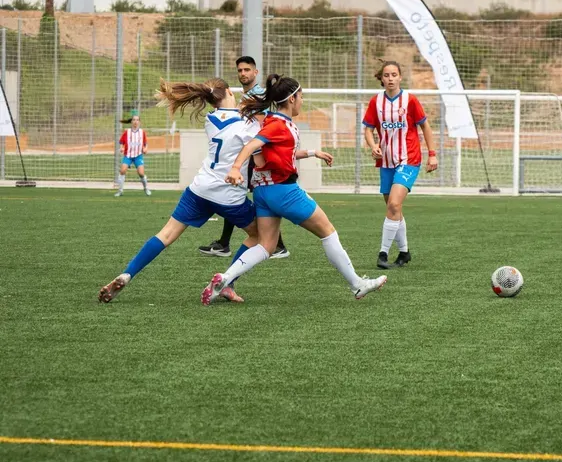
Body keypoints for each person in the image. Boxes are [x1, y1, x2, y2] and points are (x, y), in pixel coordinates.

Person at [200, 74, 388, 305]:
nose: (302, 101)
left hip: (264, 192)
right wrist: (236, 167)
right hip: (284, 191)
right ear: (291, 99)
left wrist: (312, 153)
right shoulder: (278, 125)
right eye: (301, 96)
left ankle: (225, 278)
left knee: (267, 245)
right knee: (328, 231)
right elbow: (252, 145)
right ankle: (358, 285)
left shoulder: (273, 121)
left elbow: (278, 152)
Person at [98, 79, 262, 304]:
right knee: (261, 236)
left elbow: (229, 117)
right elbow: (260, 144)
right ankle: (228, 282)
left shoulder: (211, 119)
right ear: (229, 93)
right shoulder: (248, 125)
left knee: (165, 235)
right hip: (228, 195)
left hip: (199, 189)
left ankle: (128, 273)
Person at [198, 55, 290, 261]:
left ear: (255, 73)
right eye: (240, 70)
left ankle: (277, 245)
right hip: (249, 154)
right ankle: (226, 243)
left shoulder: (257, 95)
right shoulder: (244, 97)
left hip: (256, 154)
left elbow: (260, 124)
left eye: (247, 70)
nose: (243, 74)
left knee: (251, 195)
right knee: (236, 194)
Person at [363, 60, 438, 270]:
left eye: (394, 75)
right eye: (386, 75)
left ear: (400, 77)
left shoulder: (410, 100)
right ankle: (404, 252)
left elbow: (426, 126)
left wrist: (432, 155)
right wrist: (373, 145)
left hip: (409, 159)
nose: (390, 79)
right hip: (386, 161)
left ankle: (382, 254)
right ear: (382, 78)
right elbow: (368, 129)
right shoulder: (375, 102)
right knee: (392, 208)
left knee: (394, 204)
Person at [115, 112, 151, 197]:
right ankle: (120, 191)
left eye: (137, 120)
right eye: (134, 120)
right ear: (131, 122)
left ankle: (146, 188)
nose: (135, 122)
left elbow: (146, 143)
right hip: (128, 155)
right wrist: (121, 148)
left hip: (138, 155)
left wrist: (146, 149)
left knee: (141, 173)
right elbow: (121, 142)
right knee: (122, 171)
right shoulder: (127, 132)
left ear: (139, 122)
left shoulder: (142, 132)